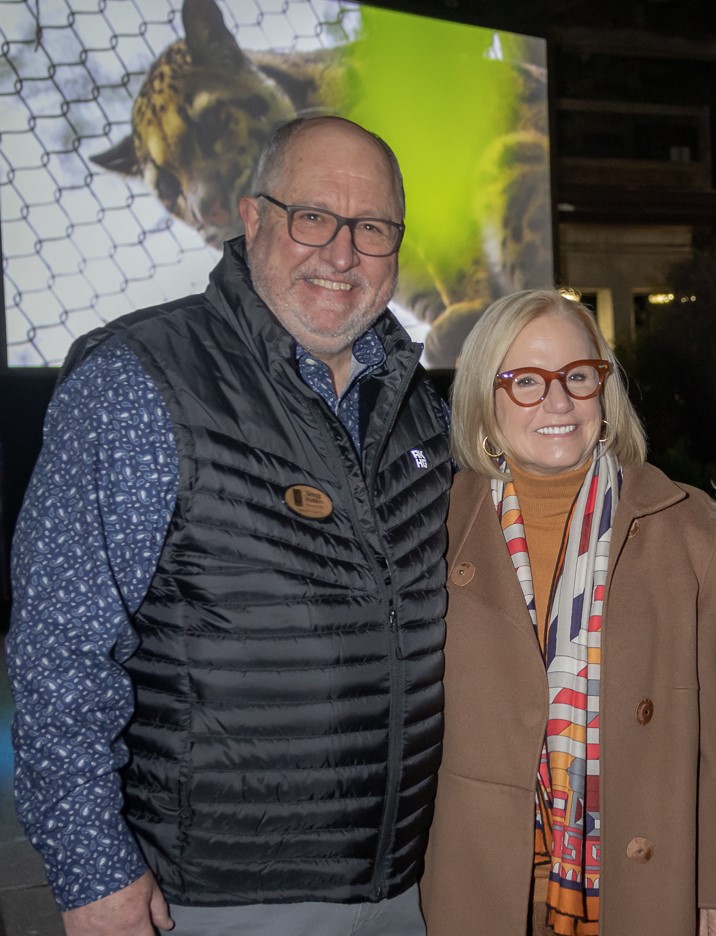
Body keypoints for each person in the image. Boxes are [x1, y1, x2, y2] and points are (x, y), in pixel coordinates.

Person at [7, 116, 452, 936]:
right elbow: (59, 649)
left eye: (373, 227)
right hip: (216, 897)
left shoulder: (419, 407)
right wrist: (93, 871)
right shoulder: (140, 381)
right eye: (312, 217)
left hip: (406, 885)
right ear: (252, 219)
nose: (342, 254)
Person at [419, 288, 716, 936]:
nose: (558, 401)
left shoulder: (690, 528)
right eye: (527, 380)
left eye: (578, 375)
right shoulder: (430, 527)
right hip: (477, 884)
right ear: (485, 397)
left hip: (641, 885)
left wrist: (711, 888)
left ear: (603, 391)